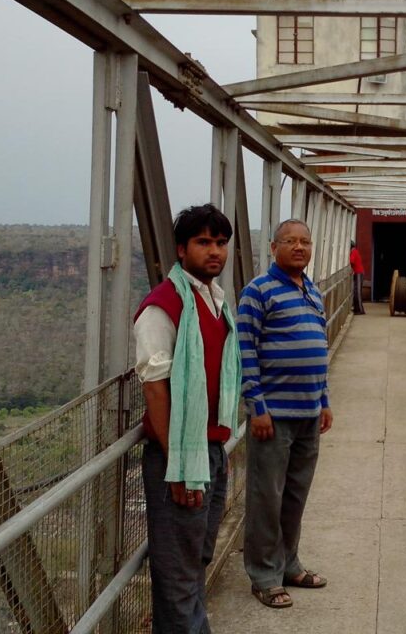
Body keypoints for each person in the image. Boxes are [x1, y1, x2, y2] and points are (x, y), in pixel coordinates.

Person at [134, 204, 241, 634]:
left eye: (220, 243)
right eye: (203, 242)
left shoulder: (213, 301)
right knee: (179, 574)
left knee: (195, 561)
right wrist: (176, 465)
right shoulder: (163, 306)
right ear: (181, 250)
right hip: (178, 458)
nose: (214, 251)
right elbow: (155, 386)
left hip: (208, 450)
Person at [238, 219, 334, 609]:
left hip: (309, 412)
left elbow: (319, 349)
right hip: (273, 417)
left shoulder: (312, 290)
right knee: (266, 498)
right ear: (273, 247)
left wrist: (324, 400)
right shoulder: (257, 292)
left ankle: (289, 565)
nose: (299, 247)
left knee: (295, 497)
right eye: (290, 241)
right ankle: (263, 574)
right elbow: (246, 351)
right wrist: (256, 407)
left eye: (306, 242)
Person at [349, 240, 366, 314]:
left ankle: (360, 310)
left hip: (358, 273)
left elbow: (352, 261)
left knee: (357, 291)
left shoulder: (353, 251)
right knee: (356, 291)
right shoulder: (355, 251)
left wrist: (351, 269)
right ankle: (357, 308)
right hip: (358, 272)